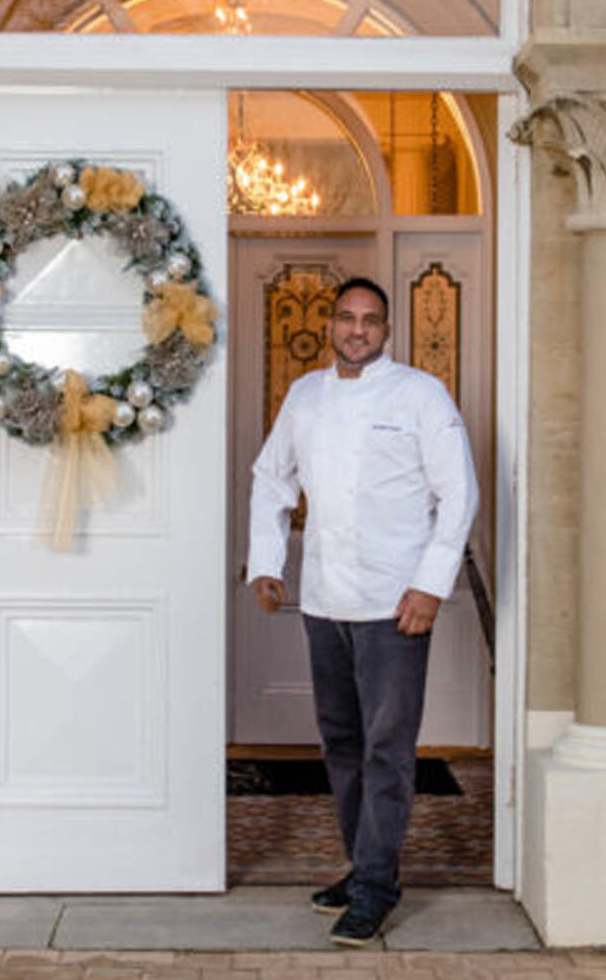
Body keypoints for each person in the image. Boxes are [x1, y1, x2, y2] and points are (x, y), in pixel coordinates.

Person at [245, 275, 479, 946]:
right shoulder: (305, 395)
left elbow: (457, 493)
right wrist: (267, 564)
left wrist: (431, 586)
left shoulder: (419, 396)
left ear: (387, 329)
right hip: (324, 600)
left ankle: (375, 889)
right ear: (330, 326)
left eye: (370, 320)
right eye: (346, 318)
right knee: (342, 745)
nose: (356, 329)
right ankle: (365, 867)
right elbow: (271, 479)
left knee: (387, 749)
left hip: (394, 604)